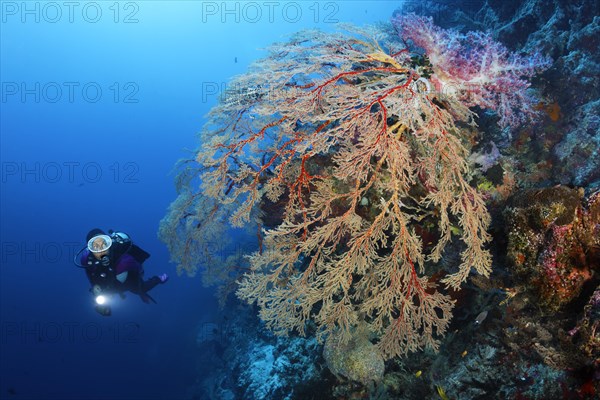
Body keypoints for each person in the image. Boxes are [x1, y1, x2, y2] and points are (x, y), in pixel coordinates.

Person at [75, 228, 168, 316]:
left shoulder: (125, 260)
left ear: (109, 243)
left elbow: (134, 274)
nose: (101, 249)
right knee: (101, 294)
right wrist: (95, 286)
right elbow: (90, 274)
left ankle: (158, 279)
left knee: (141, 289)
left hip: (127, 278)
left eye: (104, 244)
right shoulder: (86, 260)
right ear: (89, 249)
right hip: (109, 281)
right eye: (95, 246)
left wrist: (106, 294)